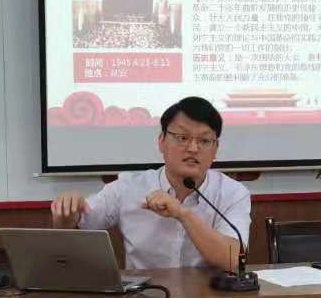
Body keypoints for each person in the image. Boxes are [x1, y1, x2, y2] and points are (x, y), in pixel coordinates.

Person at [51, 96, 250, 271]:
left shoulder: (233, 193)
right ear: (162, 141)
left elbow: (233, 260)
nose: (193, 148)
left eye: (204, 141)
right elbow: (78, 225)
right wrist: (68, 212)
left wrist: (183, 214)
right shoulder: (128, 187)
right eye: (182, 138)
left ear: (215, 149)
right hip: (145, 297)